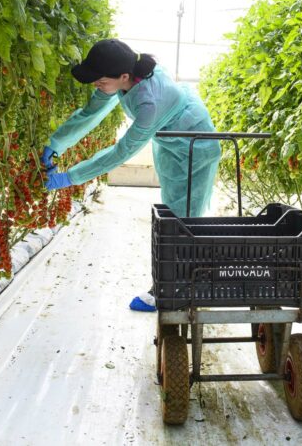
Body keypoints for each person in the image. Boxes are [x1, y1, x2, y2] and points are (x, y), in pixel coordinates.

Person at [41, 39, 221, 312]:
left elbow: (121, 152)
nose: (95, 85)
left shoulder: (150, 103)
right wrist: (55, 143)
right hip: (172, 140)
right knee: (174, 214)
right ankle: (173, 283)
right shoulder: (124, 77)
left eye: (99, 80)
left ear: (123, 77)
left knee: (185, 221)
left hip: (195, 146)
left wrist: (70, 177)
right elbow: (92, 113)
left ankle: (174, 291)